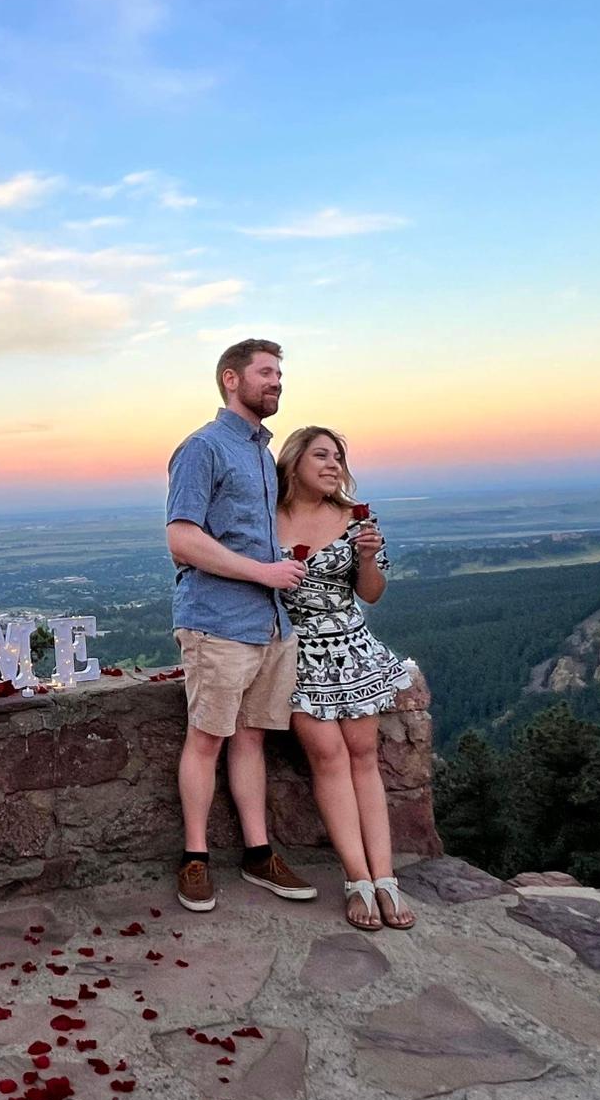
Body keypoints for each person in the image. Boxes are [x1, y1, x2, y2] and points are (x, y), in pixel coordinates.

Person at [165, 339, 320, 914]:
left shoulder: (260, 454)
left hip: (270, 625)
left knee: (251, 737)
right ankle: (195, 859)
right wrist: (264, 571)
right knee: (206, 740)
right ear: (231, 379)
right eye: (265, 373)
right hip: (219, 623)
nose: (276, 382)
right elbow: (181, 538)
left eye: (280, 373)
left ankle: (258, 854)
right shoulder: (203, 447)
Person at [275, 426, 415, 930]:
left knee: (363, 760)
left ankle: (386, 880)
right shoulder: (265, 520)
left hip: (353, 650)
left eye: (338, 457)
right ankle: (358, 880)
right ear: (294, 462)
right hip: (297, 654)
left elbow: (372, 593)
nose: (333, 464)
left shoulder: (355, 519)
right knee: (328, 759)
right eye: (321, 455)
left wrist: (369, 557)